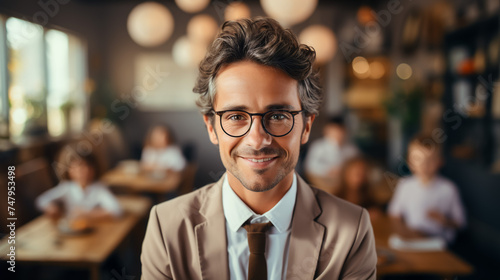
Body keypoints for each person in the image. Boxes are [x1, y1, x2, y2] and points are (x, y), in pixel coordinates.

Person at [141, 17, 376, 279]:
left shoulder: (351, 231)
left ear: (307, 126)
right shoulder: (166, 228)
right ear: (211, 127)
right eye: (236, 116)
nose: (257, 140)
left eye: (277, 116)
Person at [388, 134, 466, 243]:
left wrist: (444, 221)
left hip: (439, 242)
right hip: (413, 238)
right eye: (418, 159)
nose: (424, 165)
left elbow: (461, 223)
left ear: (440, 161)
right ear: (410, 162)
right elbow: (394, 214)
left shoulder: (449, 188)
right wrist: (404, 232)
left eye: (430, 160)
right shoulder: (405, 185)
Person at [36, 144, 122, 227]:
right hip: (72, 229)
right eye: (79, 166)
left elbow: (116, 210)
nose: (85, 171)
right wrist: (50, 207)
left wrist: (87, 214)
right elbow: (42, 200)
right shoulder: (67, 187)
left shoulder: (99, 188)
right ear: (69, 170)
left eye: (88, 166)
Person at [304, 116, 359, 193]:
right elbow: (310, 166)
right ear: (326, 130)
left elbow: (356, 167)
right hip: (323, 183)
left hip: (344, 185)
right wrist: (328, 170)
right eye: (334, 130)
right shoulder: (318, 146)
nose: (337, 134)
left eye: (340, 131)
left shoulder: (351, 149)